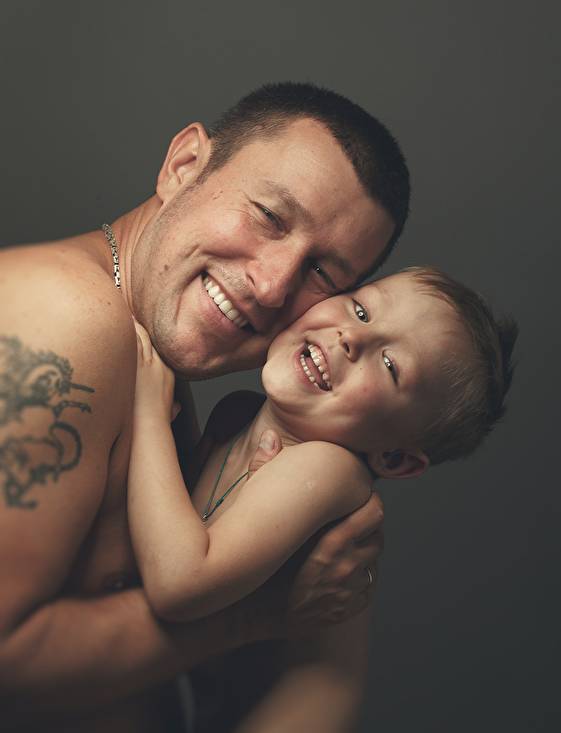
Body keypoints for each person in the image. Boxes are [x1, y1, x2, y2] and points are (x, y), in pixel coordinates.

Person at [0, 83, 410, 732]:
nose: (272, 285)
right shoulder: (71, 318)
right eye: (269, 217)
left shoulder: (151, 368)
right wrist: (259, 611)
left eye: (323, 275)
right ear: (183, 165)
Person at [128, 267, 517, 730]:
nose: (351, 336)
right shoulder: (235, 414)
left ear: (394, 459)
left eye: (391, 366)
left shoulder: (330, 469)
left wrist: (149, 411)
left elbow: (178, 584)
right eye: (361, 309)